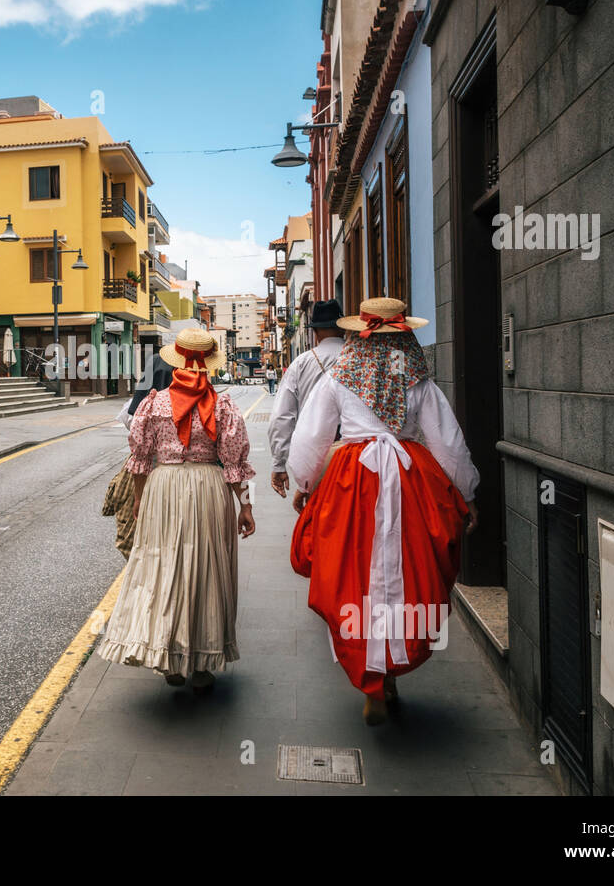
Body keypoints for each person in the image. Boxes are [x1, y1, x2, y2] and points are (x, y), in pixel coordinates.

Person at [288, 297, 479, 726]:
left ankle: (371, 673)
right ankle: (389, 671)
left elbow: (311, 436)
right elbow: (447, 443)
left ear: (361, 332)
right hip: (411, 479)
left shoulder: (339, 376)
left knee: (354, 575)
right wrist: (466, 493)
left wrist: (303, 483)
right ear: (405, 333)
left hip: (352, 482)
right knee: (406, 576)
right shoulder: (418, 380)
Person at [97, 327, 256, 693]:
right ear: (208, 366)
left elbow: (138, 460)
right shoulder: (224, 406)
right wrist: (245, 506)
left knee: (162, 567)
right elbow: (234, 464)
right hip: (209, 491)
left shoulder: (153, 404)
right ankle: (201, 662)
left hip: (163, 488)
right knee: (205, 570)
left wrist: (139, 501)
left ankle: (168, 656)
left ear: (177, 361)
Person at [268, 298, 345, 498]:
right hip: (357, 455)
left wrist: (279, 463)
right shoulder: (358, 359)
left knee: (319, 516)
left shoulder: (301, 363)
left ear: (315, 332)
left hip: (315, 456)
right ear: (343, 328)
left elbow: (282, 416)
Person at [103, 351, 175, 559]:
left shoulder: (147, 401)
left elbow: (130, 420)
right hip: (188, 474)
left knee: (133, 533)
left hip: (147, 469)